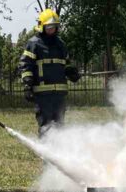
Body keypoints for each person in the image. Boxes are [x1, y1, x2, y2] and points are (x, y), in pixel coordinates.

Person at [19, 8, 81, 136]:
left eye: (54, 27)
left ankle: (58, 151)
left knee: (59, 124)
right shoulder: (34, 43)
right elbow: (25, 64)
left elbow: (66, 64)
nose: (51, 29)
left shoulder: (61, 44)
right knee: (46, 124)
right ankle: (46, 153)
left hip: (59, 93)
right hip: (42, 94)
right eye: (49, 27)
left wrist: (71, 72)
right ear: (41, 26)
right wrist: (27, 84)